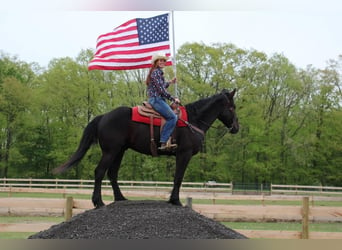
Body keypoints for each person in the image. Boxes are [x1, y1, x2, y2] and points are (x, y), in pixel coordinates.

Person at [145, 53, 180, 151]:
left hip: (157, 99)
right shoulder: (156, 72)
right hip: (157, 100)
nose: (162, 62)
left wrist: (170, 82)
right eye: (160, 60)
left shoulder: (157, 72)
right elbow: (161, 90)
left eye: (164, 61)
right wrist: (173, 99)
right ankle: (164, 142)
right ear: (156, 62)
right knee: (173, 117)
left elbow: (161, 85)